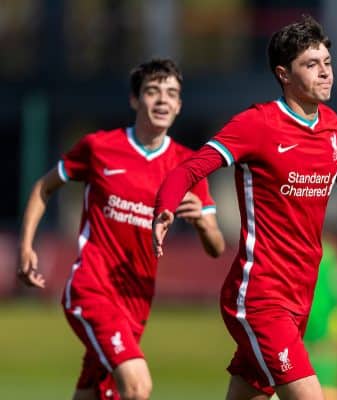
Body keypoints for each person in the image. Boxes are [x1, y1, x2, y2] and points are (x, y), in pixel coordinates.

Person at [152, 15, 337, 400]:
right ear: (284, 74)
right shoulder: (258, 125)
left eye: (327, 63)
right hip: (260, 296)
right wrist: (165, 207)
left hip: (299, 297)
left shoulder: (332, 127)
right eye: (311, 65)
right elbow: (191, 166)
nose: (325, 74)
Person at [17, 58, 225, 400]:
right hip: (92, 288)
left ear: (179, 106)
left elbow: (216, 247)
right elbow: (43, 188)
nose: (162, 100)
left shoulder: (189, 166)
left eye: (171, 94)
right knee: (137, 385)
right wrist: (26, 247)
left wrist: (202, 224)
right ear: (134, 100)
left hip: (137, 300)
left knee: (95, 392)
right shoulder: (100, 148)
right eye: (152, 91)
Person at [303, 235, 337, 400]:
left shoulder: (300, 248)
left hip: (300, 312)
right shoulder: (330, 254)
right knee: (325, 356)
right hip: (324, 315)